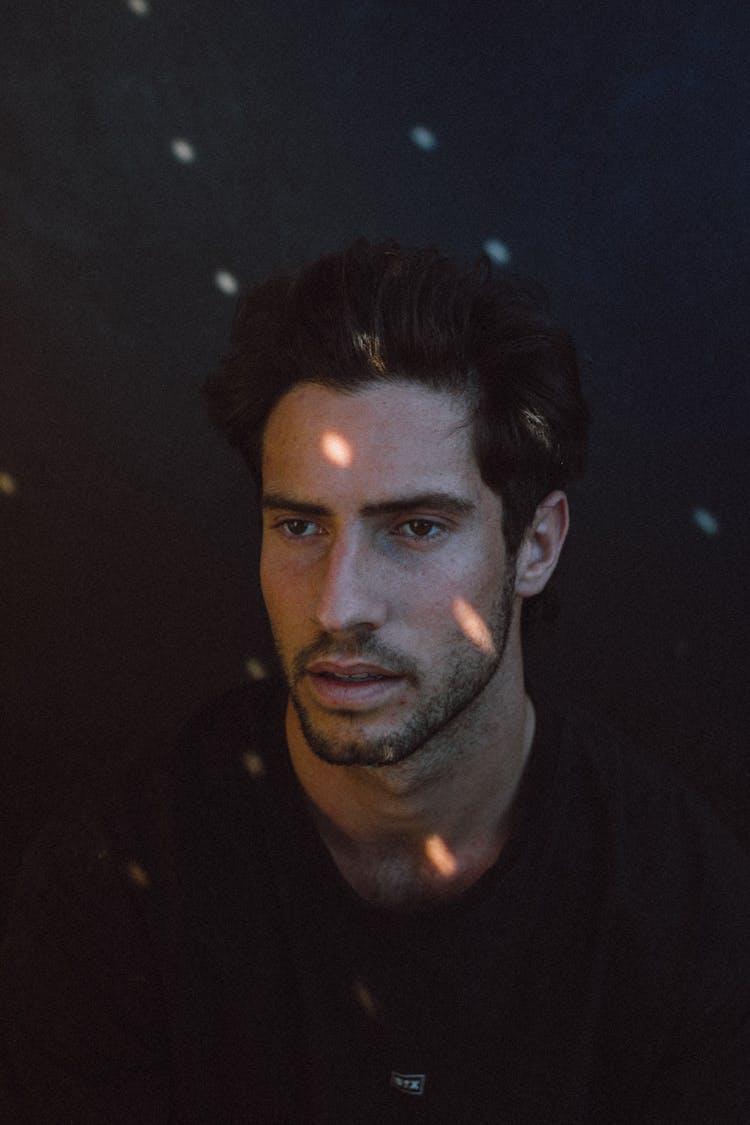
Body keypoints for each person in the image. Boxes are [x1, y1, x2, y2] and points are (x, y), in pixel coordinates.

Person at [1, 240, 748, 1123]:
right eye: (300, 528)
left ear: (536, 545)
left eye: (417, 527)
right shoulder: (113, 892)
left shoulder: (688, 911)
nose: (338, 605)